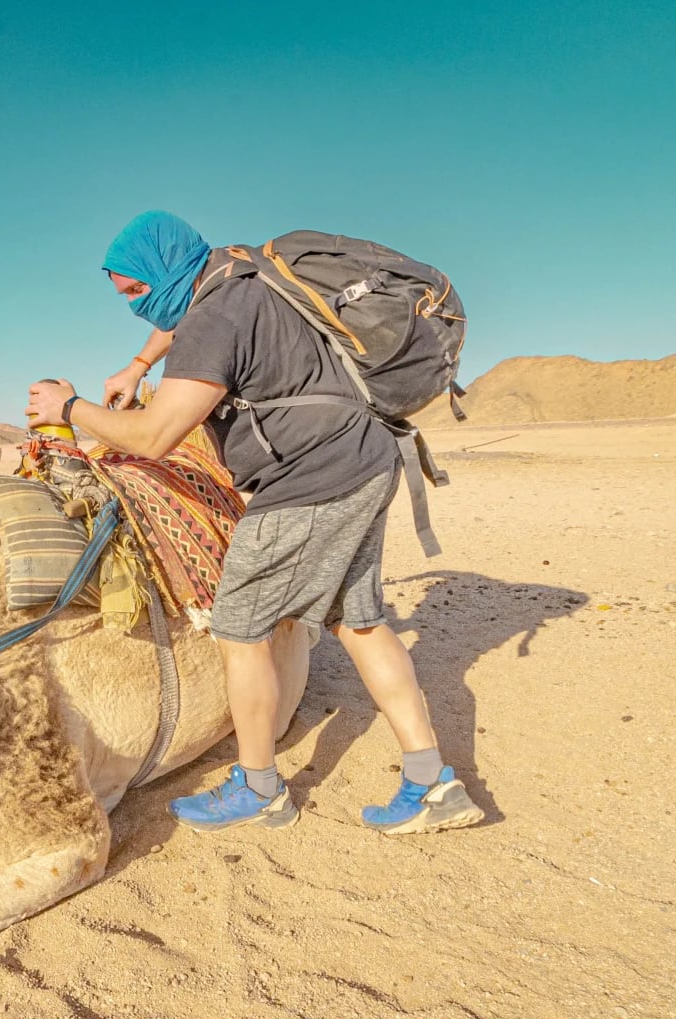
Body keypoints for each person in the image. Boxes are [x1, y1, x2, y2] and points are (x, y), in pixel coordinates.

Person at [25, 210, 482, 836]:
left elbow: (155, 436)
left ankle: (259, 788)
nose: (135, 305)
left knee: (240, 631)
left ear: (165, 269)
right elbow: (178, 324)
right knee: (359, 622)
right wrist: (138, 365)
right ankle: (431, 783)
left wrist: (70, 406)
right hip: (363, 455)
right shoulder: (244, 273)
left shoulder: (213, 319)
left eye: (137, 289)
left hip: (309, 479)